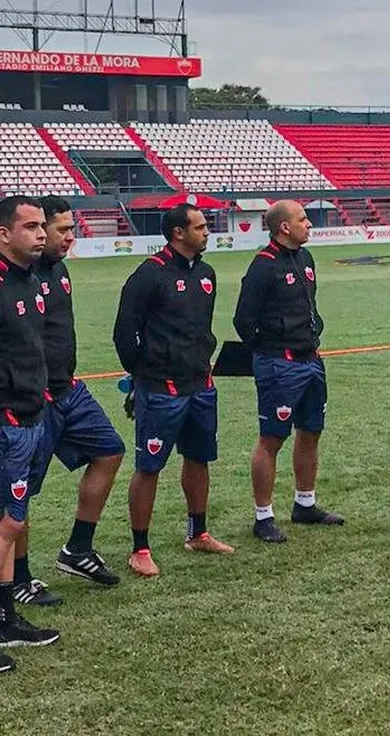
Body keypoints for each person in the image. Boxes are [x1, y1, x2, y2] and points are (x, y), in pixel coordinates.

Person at [11, 197, 126, 607]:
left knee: (110, 451)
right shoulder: (17, 276)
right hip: (32, 401)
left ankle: (77, 549)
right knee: (17, 493)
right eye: (61, 229)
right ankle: (19, 577)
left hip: (68, 390)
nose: (66, 237)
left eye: (66, 229)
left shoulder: (58, 271)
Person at [113, 204, 234, 578]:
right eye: (199, 227)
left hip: (200, 383)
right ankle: (140, 548)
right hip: (160, 388)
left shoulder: (206, 273)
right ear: (178, 233)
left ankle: (198, 532)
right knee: (149, 467)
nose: (207, 232)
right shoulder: (149, 275)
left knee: (198, 459)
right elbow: (124, 333)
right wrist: (143, 373)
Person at [234, 200, 343, 544]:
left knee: (311, 431)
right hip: (279, 363)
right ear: (284, 227)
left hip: (311, 360)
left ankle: (305, 503)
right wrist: (269, 350)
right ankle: (263, 516)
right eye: (303, 219)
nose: (309, 224)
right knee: (272, 439)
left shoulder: (305, 259)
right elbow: (243, 320)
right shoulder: (262, 267)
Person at [0, 195, 61, 673]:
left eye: (43, 226)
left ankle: (5, 618)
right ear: (5, 234)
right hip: (6, 419)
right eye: (31, 227)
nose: (41, 233)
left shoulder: (33, 279)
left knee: (11, 523)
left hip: (29, 416)